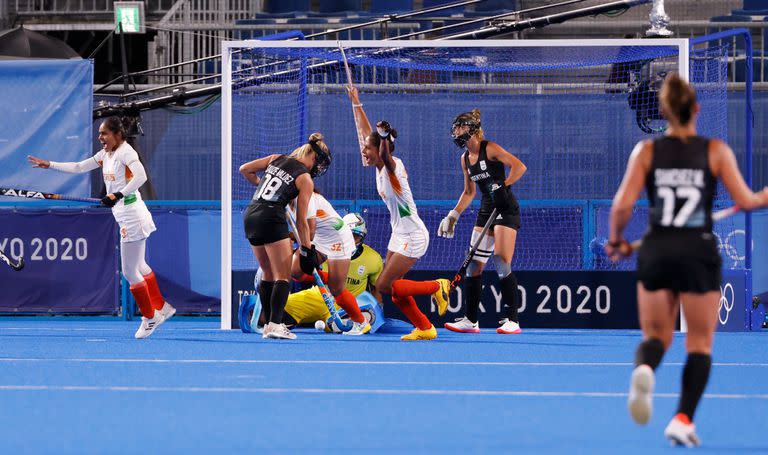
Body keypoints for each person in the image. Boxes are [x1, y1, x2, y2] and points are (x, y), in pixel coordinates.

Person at [607, 73, 768, 447]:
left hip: (657, 248)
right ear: (696, 108)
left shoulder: (646, 151)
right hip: (698, 251)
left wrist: (616, 240)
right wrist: (764, 195)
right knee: (698, 343)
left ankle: (645, 368)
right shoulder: (715, 151)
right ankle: (682, 419)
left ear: (663, 111)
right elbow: (745, 201)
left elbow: (621, 207)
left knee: (658, 337)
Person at [28, 116, 175, 339]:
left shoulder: (126, 152)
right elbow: (78, 167)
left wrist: (118, 193)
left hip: (132, 214)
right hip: (128, 212)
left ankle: (150, 317)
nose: (100, 137)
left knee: (129, 271)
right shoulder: (105, 155)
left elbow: (141, 176)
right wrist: (50, 164)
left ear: (118, 135)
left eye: (104, 133)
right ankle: (162, 307)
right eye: (99, 133)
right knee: (141, 265)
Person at [347, 86, 450, 341]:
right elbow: (365, 136)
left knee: (383, 285)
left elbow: (381, 150)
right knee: (395, 292)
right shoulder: (378, 167)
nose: (363, 151)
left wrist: (381, 137)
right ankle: (425, 328)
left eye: (367, 150)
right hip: (399, 233)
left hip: (413, 235)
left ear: (382, 149)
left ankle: (438, 286)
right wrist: (356, 103)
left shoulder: (393, 167)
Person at [438, 109, 527, 334]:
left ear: (471, 128)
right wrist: (453, 215)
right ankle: (471, 320)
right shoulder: (465, 159)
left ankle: (512, 320)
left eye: (460, 126)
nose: (456, 131)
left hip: (505, 207)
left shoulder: (491, 148)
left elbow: (519, 166)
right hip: (486, 209)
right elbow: (469, 192)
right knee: (474, 266)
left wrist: (504, 186)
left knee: (501, 260)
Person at [239, 132, 331, 340]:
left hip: (251, 214)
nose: (318, 169)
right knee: (283, 275)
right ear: (314, 158)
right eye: (320, 164)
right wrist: (307, 248)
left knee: (268, 273)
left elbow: (245, 169)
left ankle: (268, 324)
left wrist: (259, 183)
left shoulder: (276, 158)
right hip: (272, 216)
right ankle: (276, 325)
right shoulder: (304, 178)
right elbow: (301, 221)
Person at [279, 212, 384, 330]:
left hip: (348, 305)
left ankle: (342, 322)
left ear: (362, 237)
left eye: (355, 236)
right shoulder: (326, 248)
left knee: (352, 319)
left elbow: (377, 290)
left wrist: (379, 311)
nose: (351, 240)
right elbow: (300, 273)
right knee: (278, 307)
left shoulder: (374, 258)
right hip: (319, 295)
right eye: (348, 235)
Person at [286, 193, 371, 335]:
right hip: (320, 236)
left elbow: (310, 232)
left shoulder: (307, 197)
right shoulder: (288, 199)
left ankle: (361, 322)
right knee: (295, 271)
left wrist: (288, 237)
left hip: (337, 238)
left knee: (336, 289)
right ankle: (328, 278)